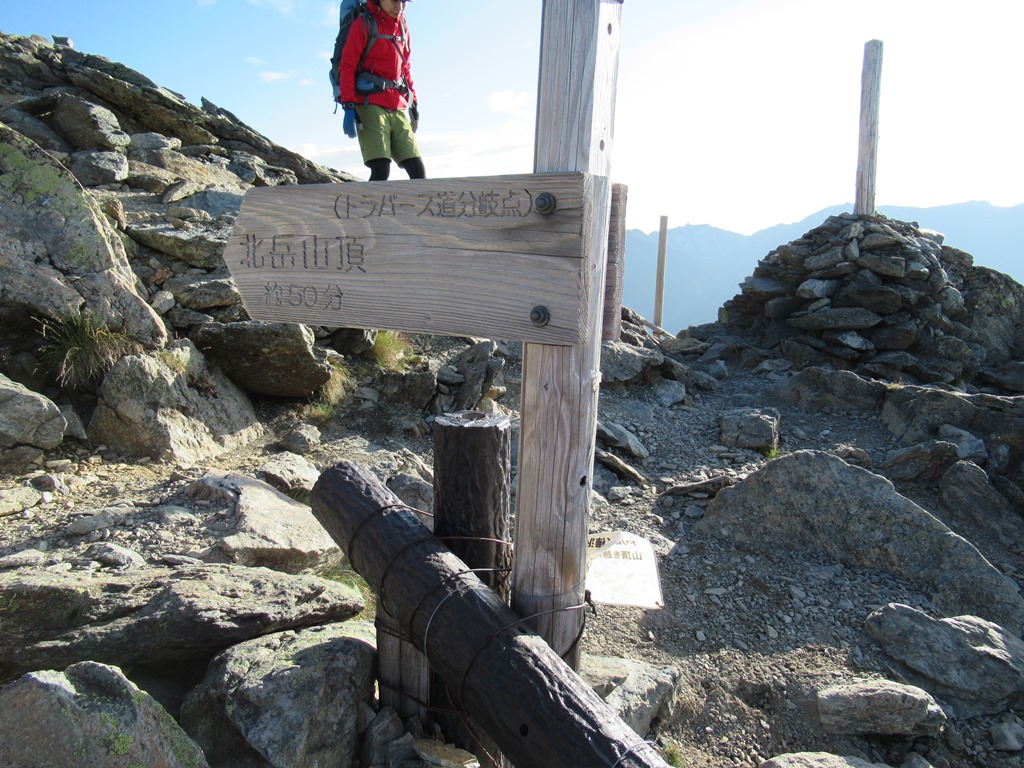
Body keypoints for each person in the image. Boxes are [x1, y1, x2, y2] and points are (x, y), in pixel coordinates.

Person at [338, 0, 425, 181]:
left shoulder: (402, 27)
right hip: (369, 103)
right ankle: (366, 202)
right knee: (380, 169)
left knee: (417, 170)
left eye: (404, 1)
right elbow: (347, 66)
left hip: (397, 105)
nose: (399, 6)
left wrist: (413, 103)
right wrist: (348, 106)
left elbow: (405, 68)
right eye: (394, 0)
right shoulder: (363, 24)